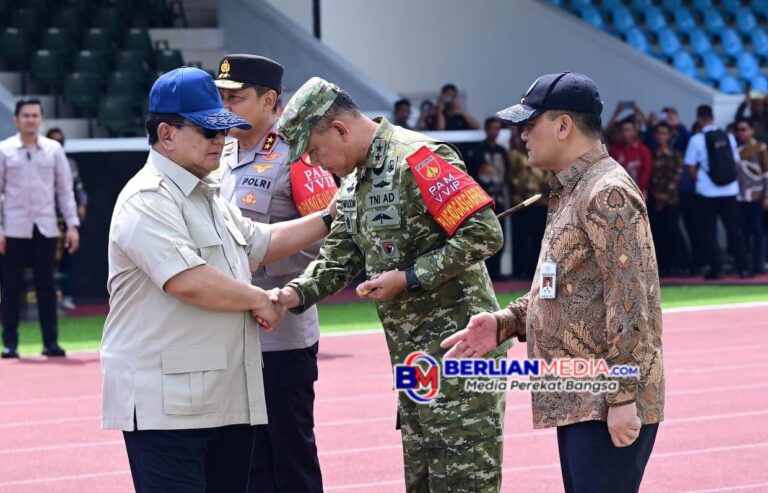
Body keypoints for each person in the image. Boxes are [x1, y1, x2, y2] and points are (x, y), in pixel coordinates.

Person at [101, 67, 336, 492]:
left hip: (223, 401)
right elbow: (188, 280)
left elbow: (259, 241)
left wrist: (333, 216)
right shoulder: (148, 197)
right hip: (168, 408)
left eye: (223, 130)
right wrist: (259, 298)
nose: (221, 140)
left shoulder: (204, 193)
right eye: (208, 131)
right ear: (167, 134)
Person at [270, 76, 507, 492]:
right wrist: (291, 294)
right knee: (422, 484)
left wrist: (410, 277)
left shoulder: (418, 158)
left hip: (461, 355)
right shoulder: (352, 182)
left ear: (340, 129)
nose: (317, 164)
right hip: (414, 364)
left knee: (464, 484)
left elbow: (485, 234)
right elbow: (337, 258)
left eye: (316, 151)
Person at [441, 72, 665, 493]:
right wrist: (506, 322)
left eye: (530, 123)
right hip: (582, 399)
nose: (522, 134)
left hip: (603, 401)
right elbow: (563, 288)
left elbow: (630, 301)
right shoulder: (572, 189)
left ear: (564, 126)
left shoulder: (606, 192)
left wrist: (621, 399)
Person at [215, 54, 335, 492]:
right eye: (221, 96)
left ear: (270, 101)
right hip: (229, 336)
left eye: (237, 98)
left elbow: (335, 243)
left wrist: (290, 288)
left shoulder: (299, 157)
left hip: (281, 337)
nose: (225, 106)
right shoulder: (220, 154)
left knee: (290, 460)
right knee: (247, 465)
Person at [0, 99, 80, 359]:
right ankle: (10, 344)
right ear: (16, 120)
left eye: (35, 115)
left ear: (42, 119)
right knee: (11, 287)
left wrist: (72, 225)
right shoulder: (5, 150)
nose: (30, 120)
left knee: (45, 285)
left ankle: (51, 343)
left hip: (45, 227)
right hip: (13, 228)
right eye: (26, 115)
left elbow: (64, 191)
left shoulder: (54, 150)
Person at [684, 104, 749, 279]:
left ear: (699, 118)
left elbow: (691, 168)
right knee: (734, 229)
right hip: (730, 190)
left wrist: (700, 183)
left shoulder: (696, 139)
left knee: (709, 232)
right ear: (713, 117)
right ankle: (743, 267)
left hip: (707, 192)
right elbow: (735, 163)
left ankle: (717, 269)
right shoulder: (729, 136)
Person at [46, 127, 88, 310]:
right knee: (45, 257)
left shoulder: (70, 164)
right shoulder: (42, 162)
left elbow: (77, 187)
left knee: (68, 256)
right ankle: (46, 297)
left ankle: (67, 295)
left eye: (60, 142)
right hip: (46, 217)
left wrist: (81, 204)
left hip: (65, 218)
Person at [469, 116, 510, 279]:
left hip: (499, 198)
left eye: (497, 128)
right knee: (485, 233)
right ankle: (487, 272)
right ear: (486, 129)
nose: (495, 132)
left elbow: (506, 174)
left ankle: (498, 271)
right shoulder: (478, 150)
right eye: (492, 128)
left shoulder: (502, 151)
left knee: (500, 233)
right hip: (483, 200)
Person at [508, 125, 550, 279]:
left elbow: (548, 175)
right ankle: (520, 271)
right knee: (520, 237)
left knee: (540, 237)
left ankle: (536, 268)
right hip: (521, 202)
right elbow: (511, 177)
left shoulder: (542, 154)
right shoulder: (515, 154)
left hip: (542, 201)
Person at [648, 122, 689, 276]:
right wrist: (655, 195)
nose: (661, 137)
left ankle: (683, 265)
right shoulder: (650, 153)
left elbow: (677, 177)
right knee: (658, 233)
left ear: (669, 136)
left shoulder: (675, 155)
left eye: (664, 133)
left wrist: (664, 196)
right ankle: (663, 266)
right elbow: (648, 176)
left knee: (674, 231)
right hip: (654, 199)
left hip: (671, 199)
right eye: (658, 133)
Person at [734, 117, 768, 274]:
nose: (741, 133)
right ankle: (745, 265)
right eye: (738, 130)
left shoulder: (760, 148)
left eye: (744, 129)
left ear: (751, 130)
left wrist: (766, 195)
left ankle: (758, 263)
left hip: (756, 195)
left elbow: (766, 172)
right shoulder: (736, 150)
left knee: (758, 231)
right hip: (740, 197)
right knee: (743, 231)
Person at [608, 114, 652, 197]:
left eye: (628, 130)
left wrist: (635, 191)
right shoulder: (614, 151)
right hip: (618, 195)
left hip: (638, 194)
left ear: (634, 132)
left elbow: (645, 174)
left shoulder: (643, 150)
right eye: (623, 130)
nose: (625, 134)